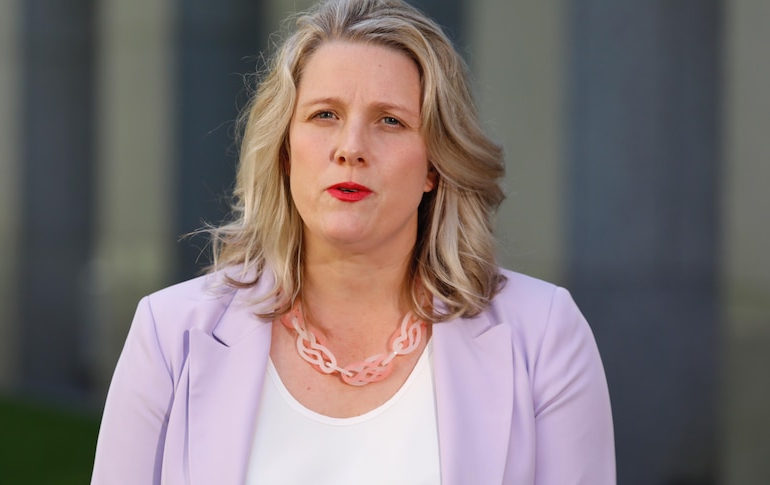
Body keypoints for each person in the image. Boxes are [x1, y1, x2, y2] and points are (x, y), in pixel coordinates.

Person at [91, 0, 615, 483]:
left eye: (390, 121)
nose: (351, 148)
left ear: (435, 164)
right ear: (286, 150)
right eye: (325, 115)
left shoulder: (545, 335)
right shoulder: (169, 335)